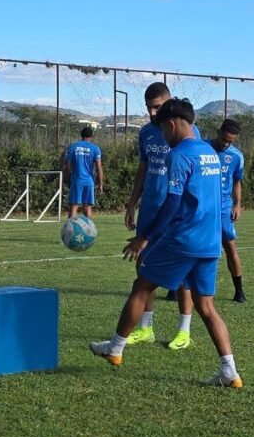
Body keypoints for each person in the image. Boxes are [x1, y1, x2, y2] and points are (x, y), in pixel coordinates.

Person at [90, 98, 242, 388]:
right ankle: (229, 371)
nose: (162, 135)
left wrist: (144, 237)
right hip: (210, 243)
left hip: (184, 239)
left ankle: (115, 348)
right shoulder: (209, 152)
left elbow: (172, 203)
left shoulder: (179, 155)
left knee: (142, 285)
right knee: (206, 306)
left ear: (171, 125)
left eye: (162, 130)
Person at [123, 83, 193, 350]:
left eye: (157, 107)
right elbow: (143, 168)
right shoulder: (146, 133)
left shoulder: (187, 131)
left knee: (183, 273)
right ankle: (146, 328)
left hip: (175, 212)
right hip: (150, 208)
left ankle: (184, 331)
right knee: (143, 267)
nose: (153, 113)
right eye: (148, 108)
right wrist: (132, 203)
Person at [213, 119, 247, 303]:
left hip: (224, 207)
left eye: (230, 141)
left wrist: (237, 204)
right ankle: (175, 288)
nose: (226, 144)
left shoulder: (236, 156)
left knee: (230, 247)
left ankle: (239, 290)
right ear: (218, 132)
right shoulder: (204, 149)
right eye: (224, 139)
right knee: (190, 245)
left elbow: (236, 181)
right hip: (203, 207)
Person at [63, 127, 104, 218]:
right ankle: (89, 227)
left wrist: (68, 177)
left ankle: (71, 227)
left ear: (81, 135)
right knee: (87, 209)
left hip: (77, 180)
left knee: (74, 207)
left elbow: (67, 166)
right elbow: (99, 168)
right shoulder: (95, 149)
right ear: (92, 136)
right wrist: (101, 184)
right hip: (89, 181)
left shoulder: (73, 147)